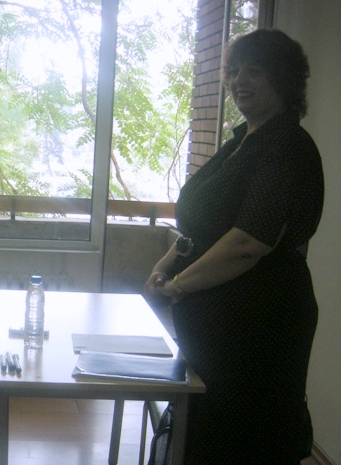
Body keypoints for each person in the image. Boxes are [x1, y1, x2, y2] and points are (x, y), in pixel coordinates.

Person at [144, 29, 322, 464]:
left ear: (283, 78)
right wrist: (165, 265)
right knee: (203, 433)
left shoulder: (286, 146)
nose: (239, 80)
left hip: (258, 322)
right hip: (216, 323)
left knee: (241, 439)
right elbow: (202, 225)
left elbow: (247, 242)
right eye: (234, 70)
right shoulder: (242, 141)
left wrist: (179, 285)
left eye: (253, 71)